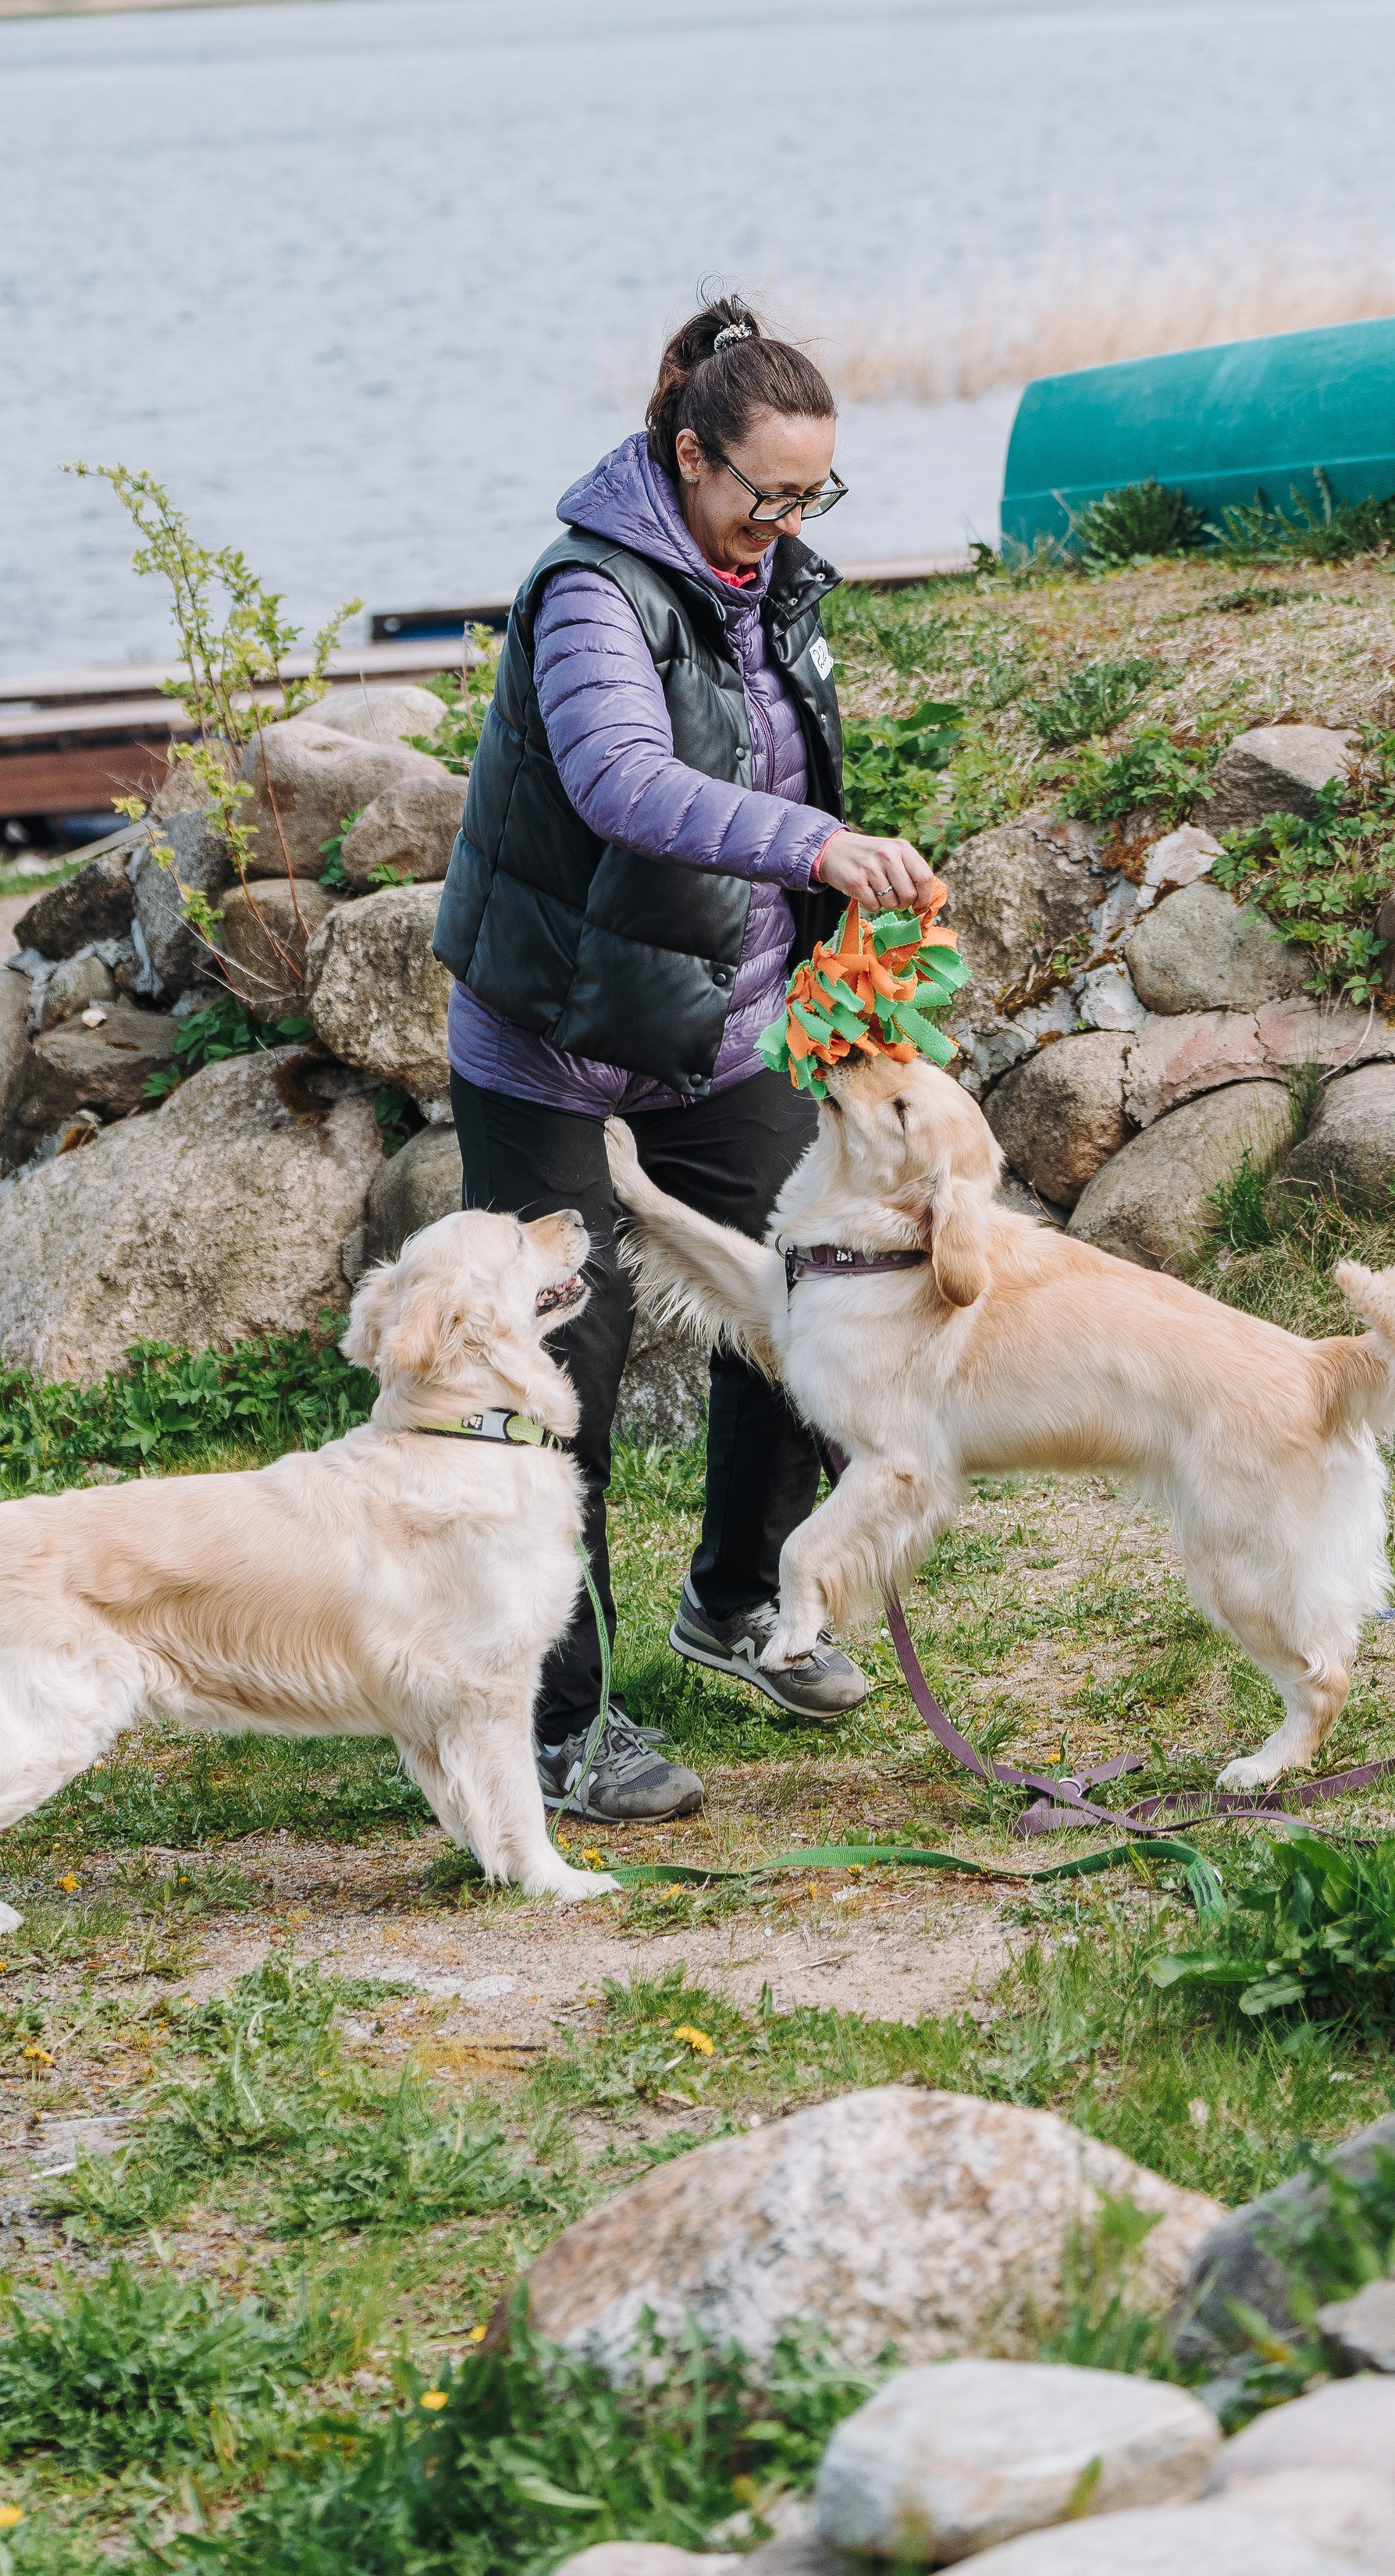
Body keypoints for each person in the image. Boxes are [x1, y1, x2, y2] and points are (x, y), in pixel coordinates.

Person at [432, 294, 944, 1825]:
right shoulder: (590, 591)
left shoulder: (775, 582)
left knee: (823, 1294)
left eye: (811, 497)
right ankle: (551, 1727)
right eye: (759, 494)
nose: (783, 525)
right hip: (557, 1043)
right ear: (684, 454)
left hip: (722, 1031)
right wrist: (820, 843)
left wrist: (839, 941)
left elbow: (779, 759)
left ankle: (730, 1599)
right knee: (553, 1380)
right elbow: (621, 780)